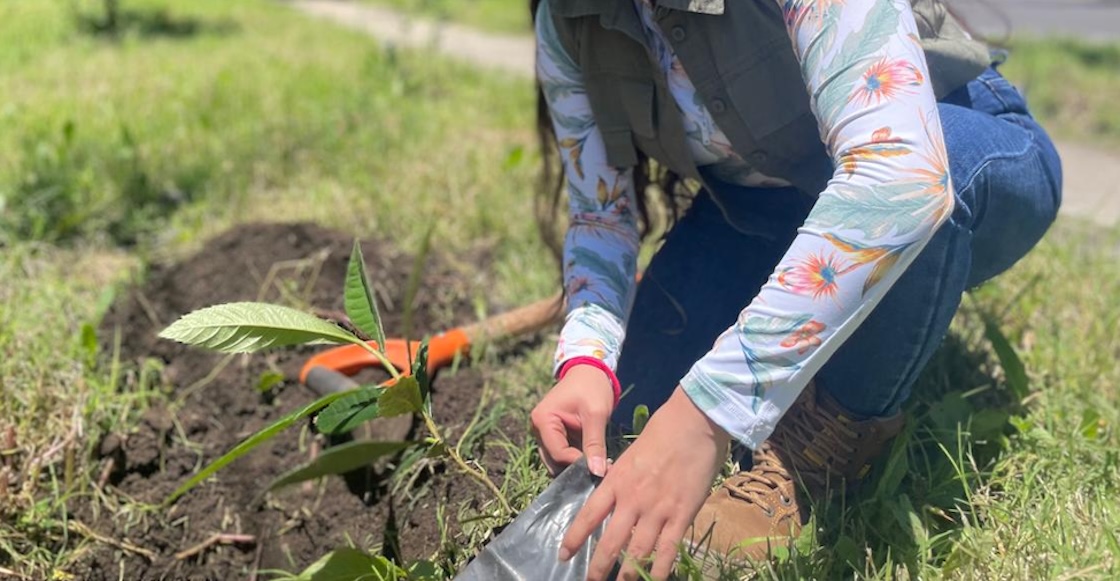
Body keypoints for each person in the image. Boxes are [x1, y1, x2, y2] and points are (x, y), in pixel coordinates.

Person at [527, 0, 1062, 579]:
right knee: (636, 402)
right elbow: (600, 216)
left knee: (930, 184)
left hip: (956, 138)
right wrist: (586, 358)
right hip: (768, 205)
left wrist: (707, 411)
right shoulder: (569, 18)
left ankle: (817, 447)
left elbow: (901, 177)